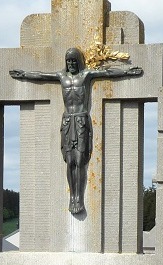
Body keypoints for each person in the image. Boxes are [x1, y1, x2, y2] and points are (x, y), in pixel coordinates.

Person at [10, 47, 142, 215]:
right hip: (67, 120)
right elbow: (42, 75)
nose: (71, 64)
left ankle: (79, 197)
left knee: (80, 160)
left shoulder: (86, 75)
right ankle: (72, 197)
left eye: (73, 61)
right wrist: (24, 74)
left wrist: (127, 72)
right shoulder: (61, 76)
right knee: (70, 161)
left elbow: (108, 73)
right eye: (68, 61)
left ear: (79, 61)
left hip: (81, 120)